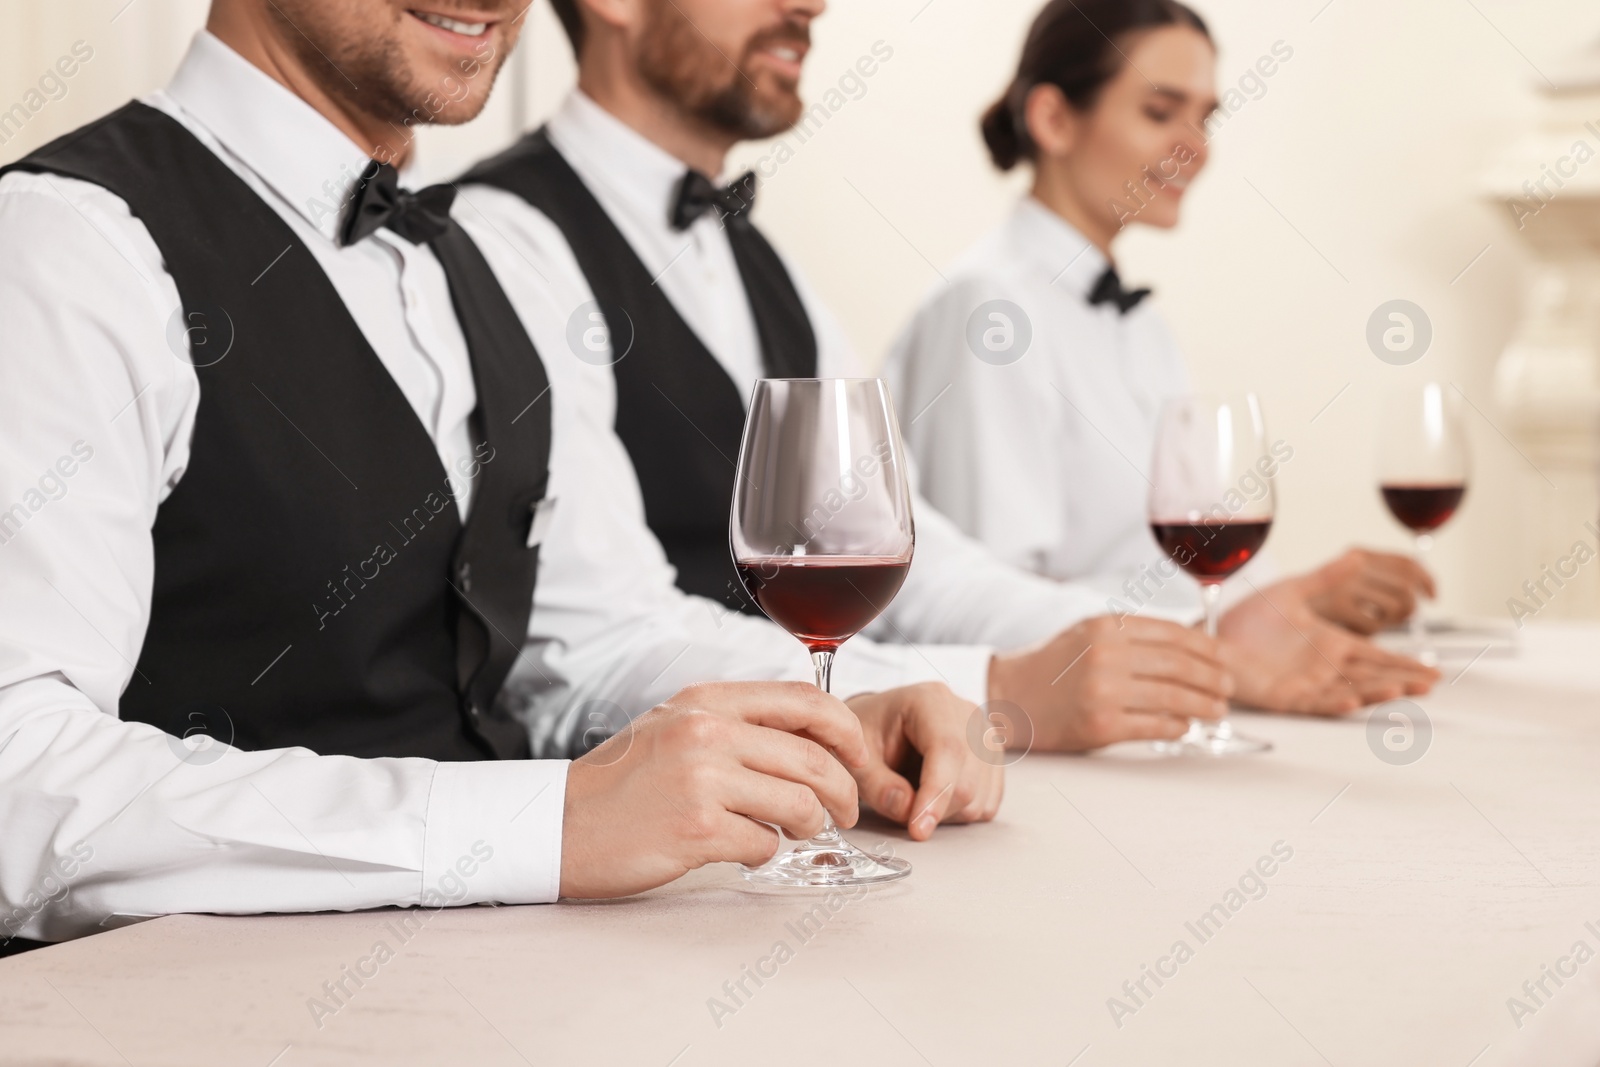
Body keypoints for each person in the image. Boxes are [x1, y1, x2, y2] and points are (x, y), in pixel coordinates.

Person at [0, 0, 988, 949]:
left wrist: (829, 713)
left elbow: (586, 637)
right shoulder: (65, 244)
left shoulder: (465, 262)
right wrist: (545, 821)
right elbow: (20, 780)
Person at [456, 0, 1433, 766]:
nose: (812, 4)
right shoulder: (502, 237)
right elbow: (581, 653)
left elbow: (908, 552)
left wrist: (1171, 641)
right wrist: (997, 687)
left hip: (817, 794)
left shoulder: (764, 262)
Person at [885, 0, 1441, 691]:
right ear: (1054, 119)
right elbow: (982, 603)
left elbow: (1183, 555)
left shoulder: (1141, 324)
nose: (1197, 147)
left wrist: (1289, 601)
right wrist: (1223, 639)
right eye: (1160, 112)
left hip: (1159, 698)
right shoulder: (984, 311)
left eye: (1204, 118)